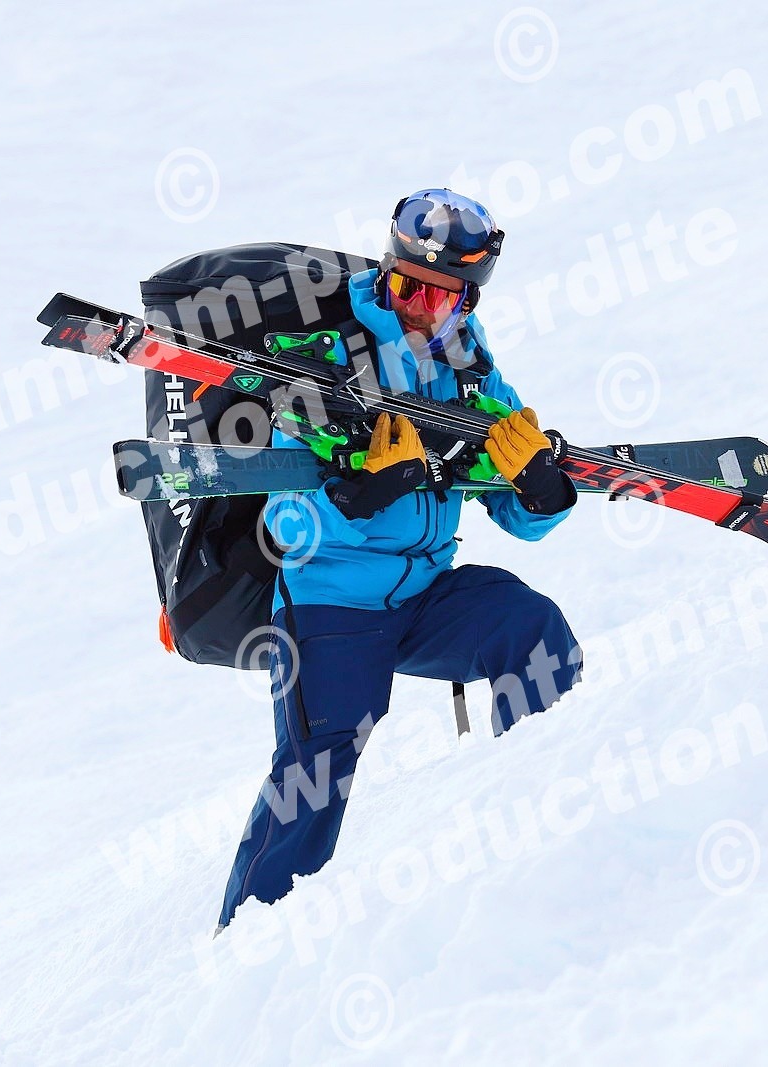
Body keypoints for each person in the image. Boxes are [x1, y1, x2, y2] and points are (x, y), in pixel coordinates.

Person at [218, 189, 582, 929]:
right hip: (331, 604)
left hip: (425, 594)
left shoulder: (472, 371)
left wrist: (540, 492)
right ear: (386, 272)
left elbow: (513, 510)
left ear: (467, 304)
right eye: (406, 286)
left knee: (531, 630)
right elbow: (282, 519)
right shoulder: (329, 359)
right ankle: (252, 935)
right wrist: (355, 495)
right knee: (318, 762)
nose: (419, 309)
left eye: (441, 298)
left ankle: (542, 835)